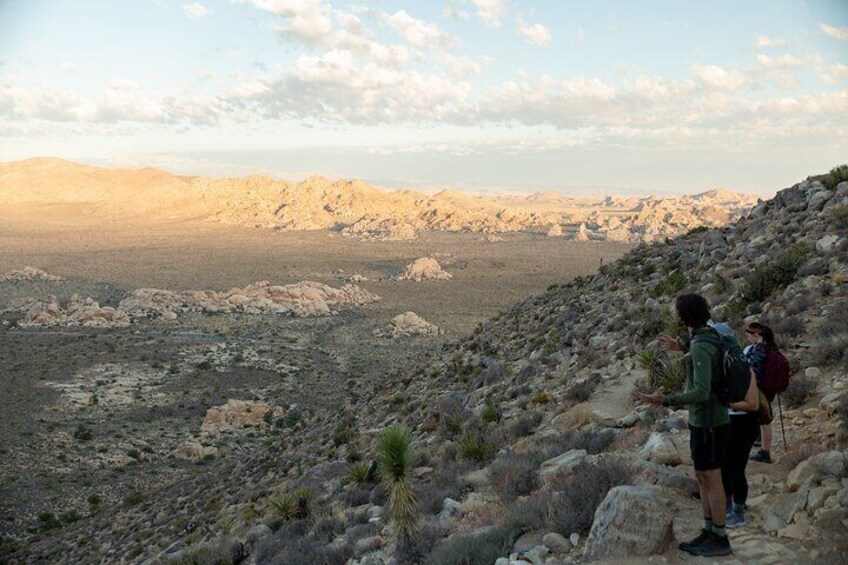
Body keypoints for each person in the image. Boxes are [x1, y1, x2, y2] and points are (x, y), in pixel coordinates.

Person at [637, 295, 732, 557]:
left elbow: (701, 391)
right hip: (706, 422)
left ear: (684, 316)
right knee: (703, 476)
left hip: (710, 423)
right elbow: (700, 352)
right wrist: (680, 347)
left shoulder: (702, 345)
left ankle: (720, 537)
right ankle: (708, 530)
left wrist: (665, 400)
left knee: (711, 479)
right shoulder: (704, 336)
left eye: (677, 311)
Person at [721, 359, 760, 528]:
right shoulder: (721, 368)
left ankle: (738, 512)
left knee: (736, 468)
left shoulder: (745, 370)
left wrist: (728, 404)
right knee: (725, 466)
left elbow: (753, 404)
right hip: (728, 422)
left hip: (742, 424)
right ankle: (730, 505)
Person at [745, 322, 778, 464]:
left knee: (764, 419)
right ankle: (764, 450)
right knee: (764, 418)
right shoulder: (771, 347)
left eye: (749, 335)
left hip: (760, 388)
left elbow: (754, 369)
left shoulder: (759, 349)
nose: (747, 338)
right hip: (769, 387)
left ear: (756, 335)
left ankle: (765, 452)